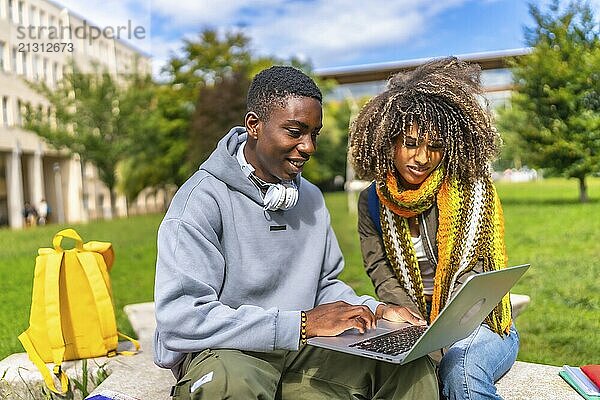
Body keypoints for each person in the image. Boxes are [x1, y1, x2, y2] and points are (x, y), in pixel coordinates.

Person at [154, 66, 439, 400]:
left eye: (314, 134)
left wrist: (374, 309)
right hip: (229, 352)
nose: (309, 147)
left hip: (302, 348)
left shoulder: (312, 199)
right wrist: (300, 325)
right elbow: (181, 318)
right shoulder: (199, 202)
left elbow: (324, 286)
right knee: (228, 388)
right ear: (253, 126)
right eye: (295, 131)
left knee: (409, 365)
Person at [349, 57, 519, 400]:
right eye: (411, 142)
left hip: (478, 324)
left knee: (461, 373)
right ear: (388, 140)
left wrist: (437, 344)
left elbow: (473, 280)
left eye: (436, 147)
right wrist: (412, 325)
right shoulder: (371, 202)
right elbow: (380, 272)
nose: (422, 158)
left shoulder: (472, 190)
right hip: (412, 325)